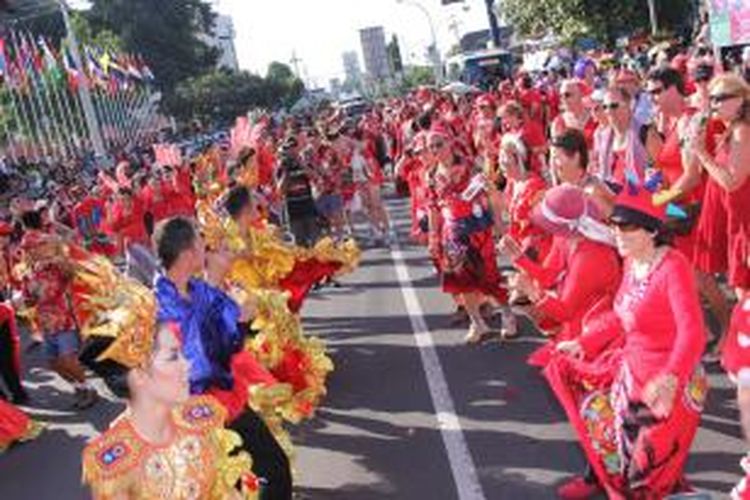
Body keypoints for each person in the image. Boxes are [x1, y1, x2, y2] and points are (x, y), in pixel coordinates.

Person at [553, 182, 707, 499]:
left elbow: (693, 332)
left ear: (651, 231)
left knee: (642, 479)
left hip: (670, 387)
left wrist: (669, 377)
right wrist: (585, 341)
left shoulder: (673, 267)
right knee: (632, 466)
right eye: (615, 225)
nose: (618, 234)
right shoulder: (632, 262)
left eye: (627, 227)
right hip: (633, 379)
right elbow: (623, 315)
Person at [77, 257, 259, 498]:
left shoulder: (200, 416)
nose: (188, 365)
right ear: (140, 375)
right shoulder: (116, 464)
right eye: (173, 356)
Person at [153, 217, 293, 499]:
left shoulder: (196, 288)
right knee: (267, 470)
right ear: (188, 253)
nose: (206, 246)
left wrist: (247, 311)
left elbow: (231, 328)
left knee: (250, 475)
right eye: (200, 240)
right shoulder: (159, 303)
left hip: (223, 398)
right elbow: (200, 357)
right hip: (196, 410)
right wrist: (217, 282)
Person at [20, 209, 98, 409]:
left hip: (65, 319)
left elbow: (73, 272)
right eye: (27, 249)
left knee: (67, 359)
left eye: (34, 247)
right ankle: (79, 388)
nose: (30, 251)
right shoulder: (28, 274)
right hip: (46, 323)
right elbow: (28, 301)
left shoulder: (57, 264)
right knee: (53, 363)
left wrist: (58, 259)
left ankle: (89, 389)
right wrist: (30, 294)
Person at [692, 73, 750, 302]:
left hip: (745, 221)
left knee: (743, 291)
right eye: (713, 98)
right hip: (735, 218)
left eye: (722, 97)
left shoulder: (742, 131)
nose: (715, 103)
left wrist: (702, 155)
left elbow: (732, 182)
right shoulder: (732, 129)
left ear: (742, 99)